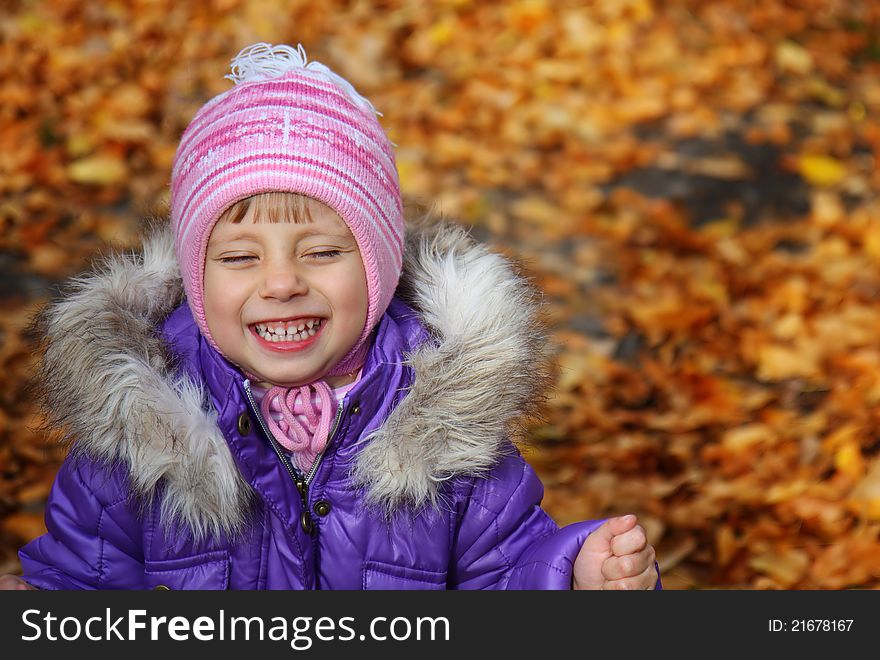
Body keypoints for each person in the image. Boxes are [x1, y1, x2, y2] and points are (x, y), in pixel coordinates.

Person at [1, 43, 660, 590]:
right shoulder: (137, 441)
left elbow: (507, 574)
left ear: (377, 267)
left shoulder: (448, 433)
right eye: (239, 258)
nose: (282, 282)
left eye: (320, 252)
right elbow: (81, 583)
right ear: (195, 281)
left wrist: (576, 582)